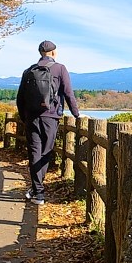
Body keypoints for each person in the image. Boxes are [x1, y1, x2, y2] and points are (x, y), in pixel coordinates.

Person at [15, 40, 80, 205]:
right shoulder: (60, 68)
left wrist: (25, 117)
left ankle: (36, 190)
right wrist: (76, 114)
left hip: (31, 117)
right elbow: (68, 93)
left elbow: (20, 98)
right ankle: (39, 193)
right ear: (53, 52)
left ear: (40, 53)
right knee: (45, 152)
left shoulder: (28, 71)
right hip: (50, 116)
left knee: (34, 152)